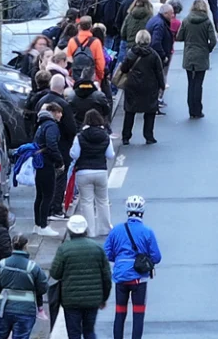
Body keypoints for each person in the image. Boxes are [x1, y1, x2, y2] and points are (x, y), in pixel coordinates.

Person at [104, 196, 163, 339]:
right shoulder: (147, 231)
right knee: (138, 314)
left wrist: (118, 260)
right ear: (142, 211)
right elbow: (157, 257)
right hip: (139, 280)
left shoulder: (116, 230)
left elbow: (106, 253)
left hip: (120, 277)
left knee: (120, 313)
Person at [51, 214, 113, 339]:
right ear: (85, 229)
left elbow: (55, 273)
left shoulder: (64, 249)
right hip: (93, 299)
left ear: (69, 230)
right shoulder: (97, 248)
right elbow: (106, 277)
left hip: (70, 300)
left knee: (74, 334)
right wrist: (103, 298)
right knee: (89, 331)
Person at [0, 234, 51, 339]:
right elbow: (43, 287)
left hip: (4, 308)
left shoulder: (2, 264)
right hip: (26, 310)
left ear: (12, 246)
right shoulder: (33, 267)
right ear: (26, 246)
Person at [69, 110, 114, 241]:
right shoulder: (105, 136)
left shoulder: (80, 136)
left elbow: (74, 154)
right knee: (103, 200)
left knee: (87, 202)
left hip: (83, 171)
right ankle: (105, 228)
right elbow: (110, 155)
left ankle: (91, 230)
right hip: (101, 171)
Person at [118, 30, 165, 144]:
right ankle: (148, 136)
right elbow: (159, 71)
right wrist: (161, 85)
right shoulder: (153, 55)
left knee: (130, 111)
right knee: (150, 111)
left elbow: (123, 69)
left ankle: (126, 137)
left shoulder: (131, 53)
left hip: (132, 85)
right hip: (149, 86)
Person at [33, 102, 69, 235]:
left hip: (40, 162)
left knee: (40, 195)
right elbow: (51, 143)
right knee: (48, 195)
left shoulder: (41, 124)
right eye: (58, 112)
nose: (60, 115)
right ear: (53, 113)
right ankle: (43, 225)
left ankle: (37, 224)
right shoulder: (52, 126)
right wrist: (59, 160)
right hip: (48, 163)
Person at [179, 0, 217, 118]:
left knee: (191, 83)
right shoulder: (207, 22)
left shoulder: (186, 20)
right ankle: (198, 110)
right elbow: (213, 40)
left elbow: (179, 36)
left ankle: (191, 110)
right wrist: (208, 49)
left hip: (189, 54)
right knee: (198, 83)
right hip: (201, 55)